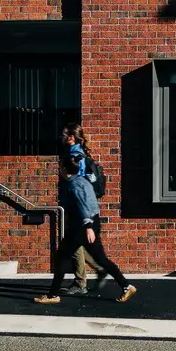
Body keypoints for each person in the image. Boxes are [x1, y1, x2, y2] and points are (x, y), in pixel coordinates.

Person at [35, 149, 135, 305]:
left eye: (60, 166)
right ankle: (126, 286)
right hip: (90, 223)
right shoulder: (82, 180)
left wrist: (88, 226)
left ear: (64, 169)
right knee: (101, 259)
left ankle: (53, 295)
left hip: (80, 226)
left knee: (61, 258)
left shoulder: (74, 185)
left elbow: (84, 205)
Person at [60, 119, 96, 294]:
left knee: (73, 245)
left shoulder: (74, 155)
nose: (62, 136)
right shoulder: (77, 152)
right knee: (76, 243)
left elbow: (73, 180)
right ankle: (99, 268)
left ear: (71, 137)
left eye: (64, 134)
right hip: (75, 202)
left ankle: (81, 283)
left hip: (75, 203)